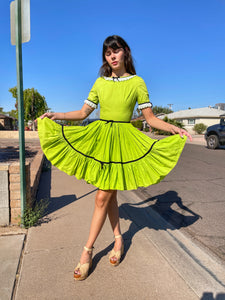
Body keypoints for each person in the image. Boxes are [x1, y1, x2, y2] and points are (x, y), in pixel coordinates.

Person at [38, 35, 192, 281]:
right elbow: (83, 112)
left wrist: (174, 129)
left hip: (123, 143)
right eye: (107, 52)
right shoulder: (100, 83)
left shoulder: (137, 82)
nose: (112, 56)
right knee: (108, 197)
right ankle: (119, 239)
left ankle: (86, 251)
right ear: (105, 57)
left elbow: (150, 118)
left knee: (102, 197)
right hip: (100, 139)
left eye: (116, 51)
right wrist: (57, 115)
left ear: (125, 52)